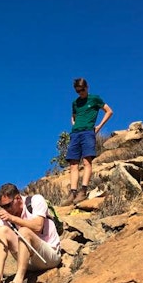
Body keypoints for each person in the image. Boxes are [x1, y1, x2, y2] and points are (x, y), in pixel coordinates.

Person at [61, 77, 113, 205]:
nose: (80, 93)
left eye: (82, 90)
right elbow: (73, 116)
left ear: (87, 87)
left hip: (88, 132)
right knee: (73, 163)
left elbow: (109, 111)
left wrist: (99, 126)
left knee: (86, 161)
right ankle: (73, 192)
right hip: (75, 134)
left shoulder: (94, 99)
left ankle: (83, 191)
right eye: (78, 91)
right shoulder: (75, 102)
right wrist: (74, 124)